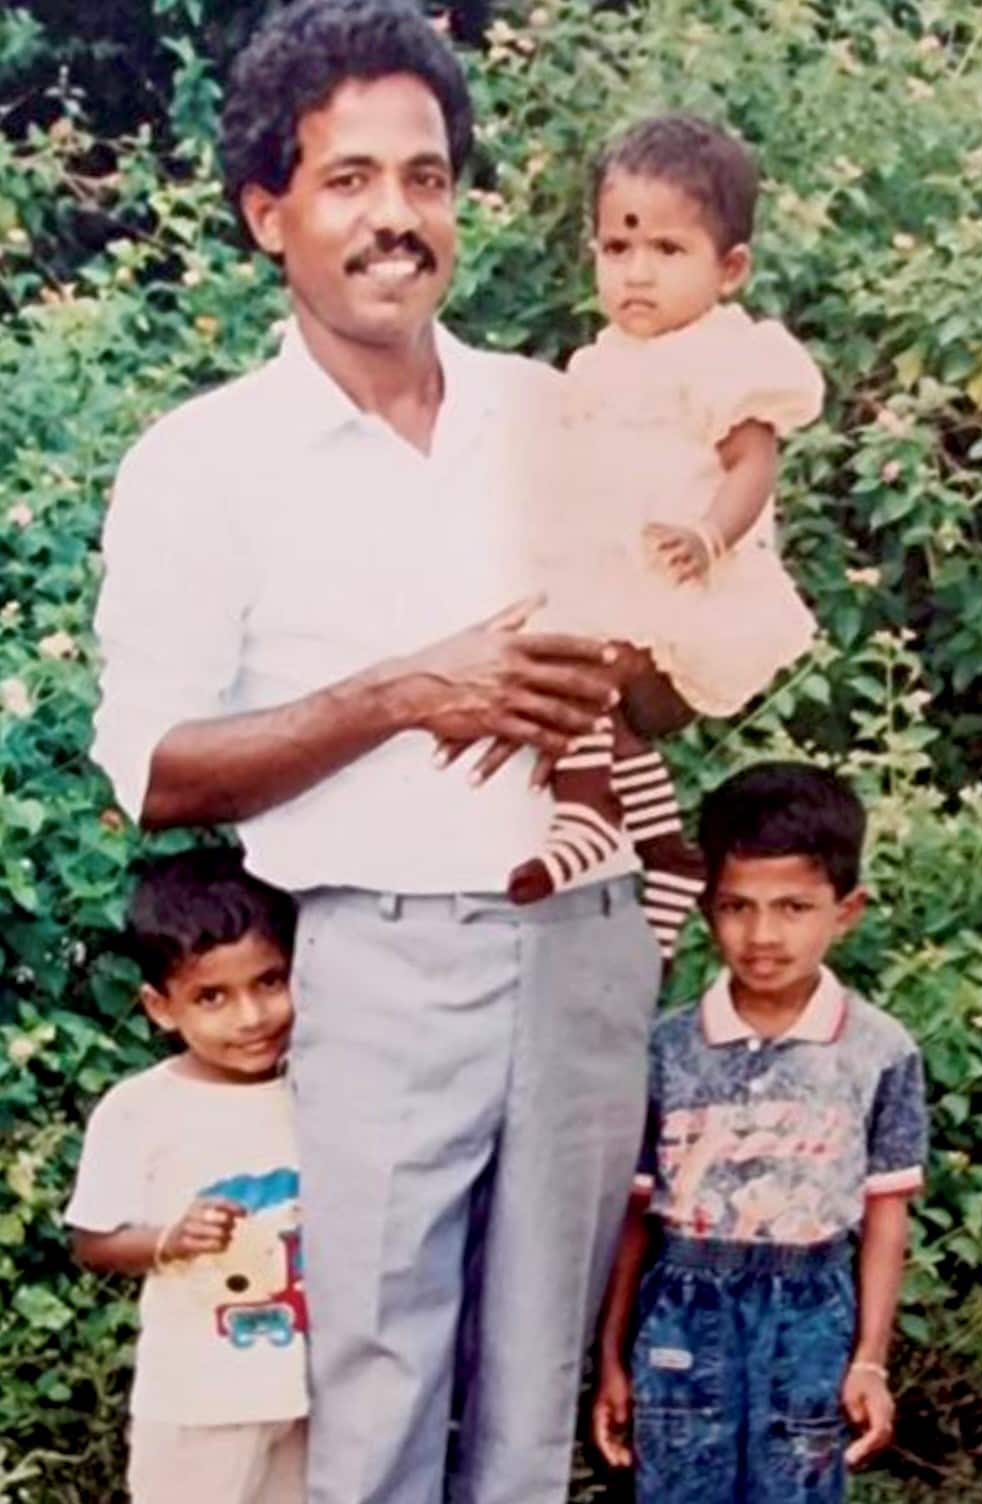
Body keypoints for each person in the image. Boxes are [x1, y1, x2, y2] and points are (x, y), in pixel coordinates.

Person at [90, 3, 666, 1500]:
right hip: (382, 960)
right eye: (347, 180)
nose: (393, 218)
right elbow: (152, 771)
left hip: (589, 942)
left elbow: (666, 702)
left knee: (535, 1389)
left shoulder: (554, 411)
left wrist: (655, 627)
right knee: (377, 1380)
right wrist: (405, 690)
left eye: (424, 177)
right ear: (265, 212)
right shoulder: (202, 465)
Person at [507, 115, 824, 967]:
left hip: (684, 573)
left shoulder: (726, 356)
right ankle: (668, 855)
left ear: (729, 269)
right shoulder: (601, 360)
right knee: (565, 677)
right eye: (617, 249)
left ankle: (589, 814)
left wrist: (708, 535)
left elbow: (751, 464)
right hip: (610, 564)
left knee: (590, 679)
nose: (636, 273)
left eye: (667, 252)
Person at [592, 762, 928, 1503]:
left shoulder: (880, 1051)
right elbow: (632, 1215)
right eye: (735, 907)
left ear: (846, 911)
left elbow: (884, 1213)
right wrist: (612, 1356)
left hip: (811, 1314)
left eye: (793, 907)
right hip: (680, 1310)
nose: (761, 935)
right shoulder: (664, 1050)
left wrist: (868, 1358)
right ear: (706, 910)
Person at [66, 849, 304, 1504]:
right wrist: (171, 1237)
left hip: (312, 1395)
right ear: (160, 1006)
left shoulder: (319, 1088)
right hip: (198, 1400)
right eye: (211, 997)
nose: (251, 1017)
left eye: (269, 981)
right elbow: (92, 1242)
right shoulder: (140, 1110)